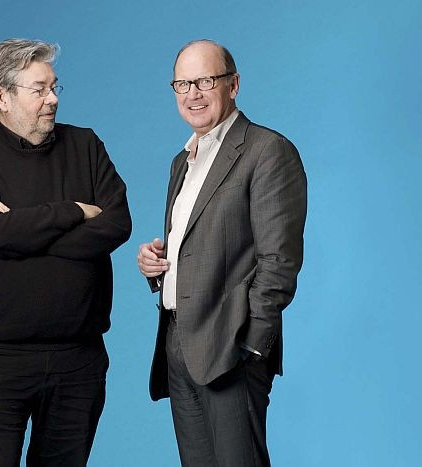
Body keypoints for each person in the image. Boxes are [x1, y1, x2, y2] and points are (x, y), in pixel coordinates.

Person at [0, 38, 131, 466]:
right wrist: (74, 211)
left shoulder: (86, 146)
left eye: (54, 87)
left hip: (78, 358)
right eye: (39, 89)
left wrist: (22, 227)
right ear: (2, 97)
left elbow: (116, 224)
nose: (53, 99)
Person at [137, 39, 307, 466]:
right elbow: (201, 246)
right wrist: (157, 267)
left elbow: (280, 260)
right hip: (177, 341)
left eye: (205, 81)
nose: (192, 94)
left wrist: (251, 346)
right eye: (182, 84)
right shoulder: (182, 161)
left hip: (231, 347)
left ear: (233, 85)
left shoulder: (267, 151)